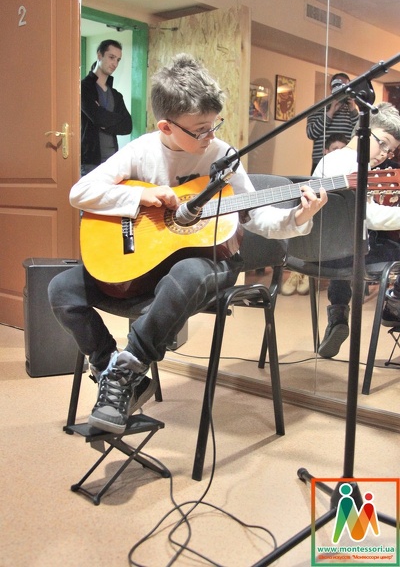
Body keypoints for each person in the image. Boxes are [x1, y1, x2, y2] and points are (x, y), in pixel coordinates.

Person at [48, 53, 327, 435]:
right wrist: (139, 197)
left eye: (214, 125)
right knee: (61, 289)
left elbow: (256, 217)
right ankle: (111, 369)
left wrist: (298, 217)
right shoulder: (142, 151)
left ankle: (129, 367)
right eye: (200, 130)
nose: (211, 137)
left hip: (209, 262)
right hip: (146, 266)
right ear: (166, 126)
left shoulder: (222, 156)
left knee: (188, 273)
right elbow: (80, 193)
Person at [313, 102, 400, 358]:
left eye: (391, 151)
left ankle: (338, 314)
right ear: (364, 131)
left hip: (316, 252)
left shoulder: (329, 158)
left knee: (348, 238)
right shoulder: (356, 165)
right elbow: (368, 216)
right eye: (383, 144)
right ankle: (395, 303)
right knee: (366, 242)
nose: (384, 154)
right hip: (346, 256)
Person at [281, 133, 347, 296]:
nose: (339, 153)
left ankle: (302, 273)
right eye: (335, 149)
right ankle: (299, 272)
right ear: (325, 151)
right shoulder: (317, 175)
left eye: (342, 149)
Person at [80, 39, 132, 177]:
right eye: (111, 57)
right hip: (90, 162)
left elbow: (127, 126)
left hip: (112, 160)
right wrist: (113, 119)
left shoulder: (116, 95)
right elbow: (98, 118)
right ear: (99, 55)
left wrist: (103, 121)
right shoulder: (83, 88)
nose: (115, 63)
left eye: (118, 60)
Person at [307, 72, 359, 174]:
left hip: (345, 161)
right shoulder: (318, 108)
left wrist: (353, 110)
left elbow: (359, 133)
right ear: (331, 87)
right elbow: (311, 133)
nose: (342, 89)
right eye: (338, 85)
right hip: (321, 160)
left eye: (345, 86)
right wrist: (330, 112)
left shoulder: (351, 110)